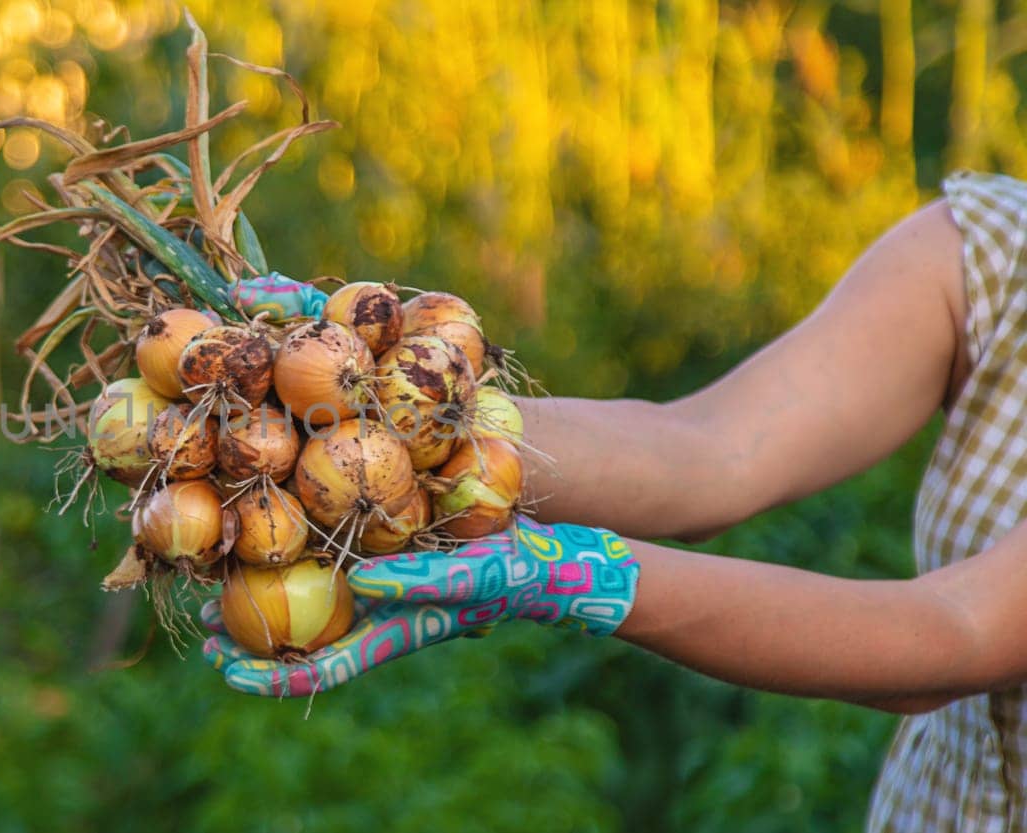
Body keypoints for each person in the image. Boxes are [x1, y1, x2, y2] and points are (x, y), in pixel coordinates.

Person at [201, 171, 1027, 832]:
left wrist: (571, 576)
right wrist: (405, 416)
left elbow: (952, 634)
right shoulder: (992, 249)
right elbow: (712, 448)